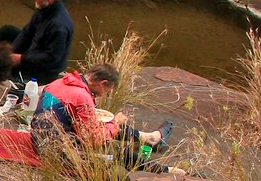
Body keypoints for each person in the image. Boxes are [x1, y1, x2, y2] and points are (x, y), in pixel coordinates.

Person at [29, 65, 163, 160]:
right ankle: (164, 170)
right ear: (102, 83)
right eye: (107, 91)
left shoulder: (59, 82)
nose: (104, 95)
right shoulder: (82, 96)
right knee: (117, 153)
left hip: (38, 138)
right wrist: (115, 123)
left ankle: (147, 138)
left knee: (108, 128)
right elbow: (93, 139)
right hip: (53, 151)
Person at [10, 0, 74, 84]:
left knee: (2, 73)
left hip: (44, 71)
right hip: (34, 51)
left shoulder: (59, 27)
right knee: (8, 30)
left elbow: (51, 59)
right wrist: (10, 51)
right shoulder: (43, 9)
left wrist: (21, 59)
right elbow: (27, 33)